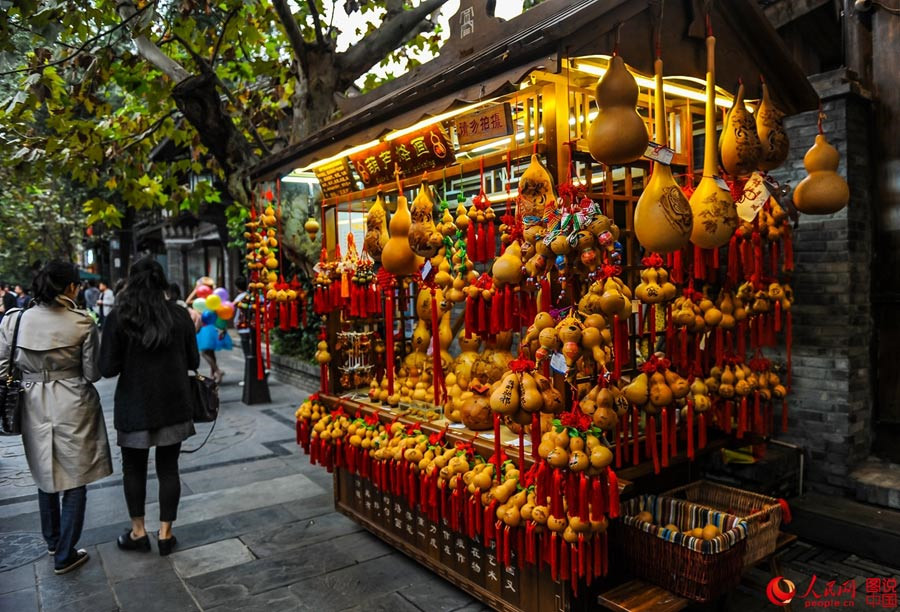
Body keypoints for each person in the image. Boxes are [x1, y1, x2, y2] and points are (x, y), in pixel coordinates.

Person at [0, 261, 113, 575]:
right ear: (71, 287)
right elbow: (92, 372)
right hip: (74, 403)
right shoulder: (82, 323)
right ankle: (65, 552)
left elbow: (2, 368)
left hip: (32, 402)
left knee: (44, 471)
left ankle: (52, 541)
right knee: (76, 477)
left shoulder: (15, 320)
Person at [99, 257, 199, 556]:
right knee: (169, 469)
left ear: (131, 281)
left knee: (134, 470)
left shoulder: (119, 316)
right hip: (174, 403)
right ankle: (166, 534)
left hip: (135, 406)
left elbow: (107, 368)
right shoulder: (179, 316)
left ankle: (138, 532)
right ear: (162, 281)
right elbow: (193, 362)